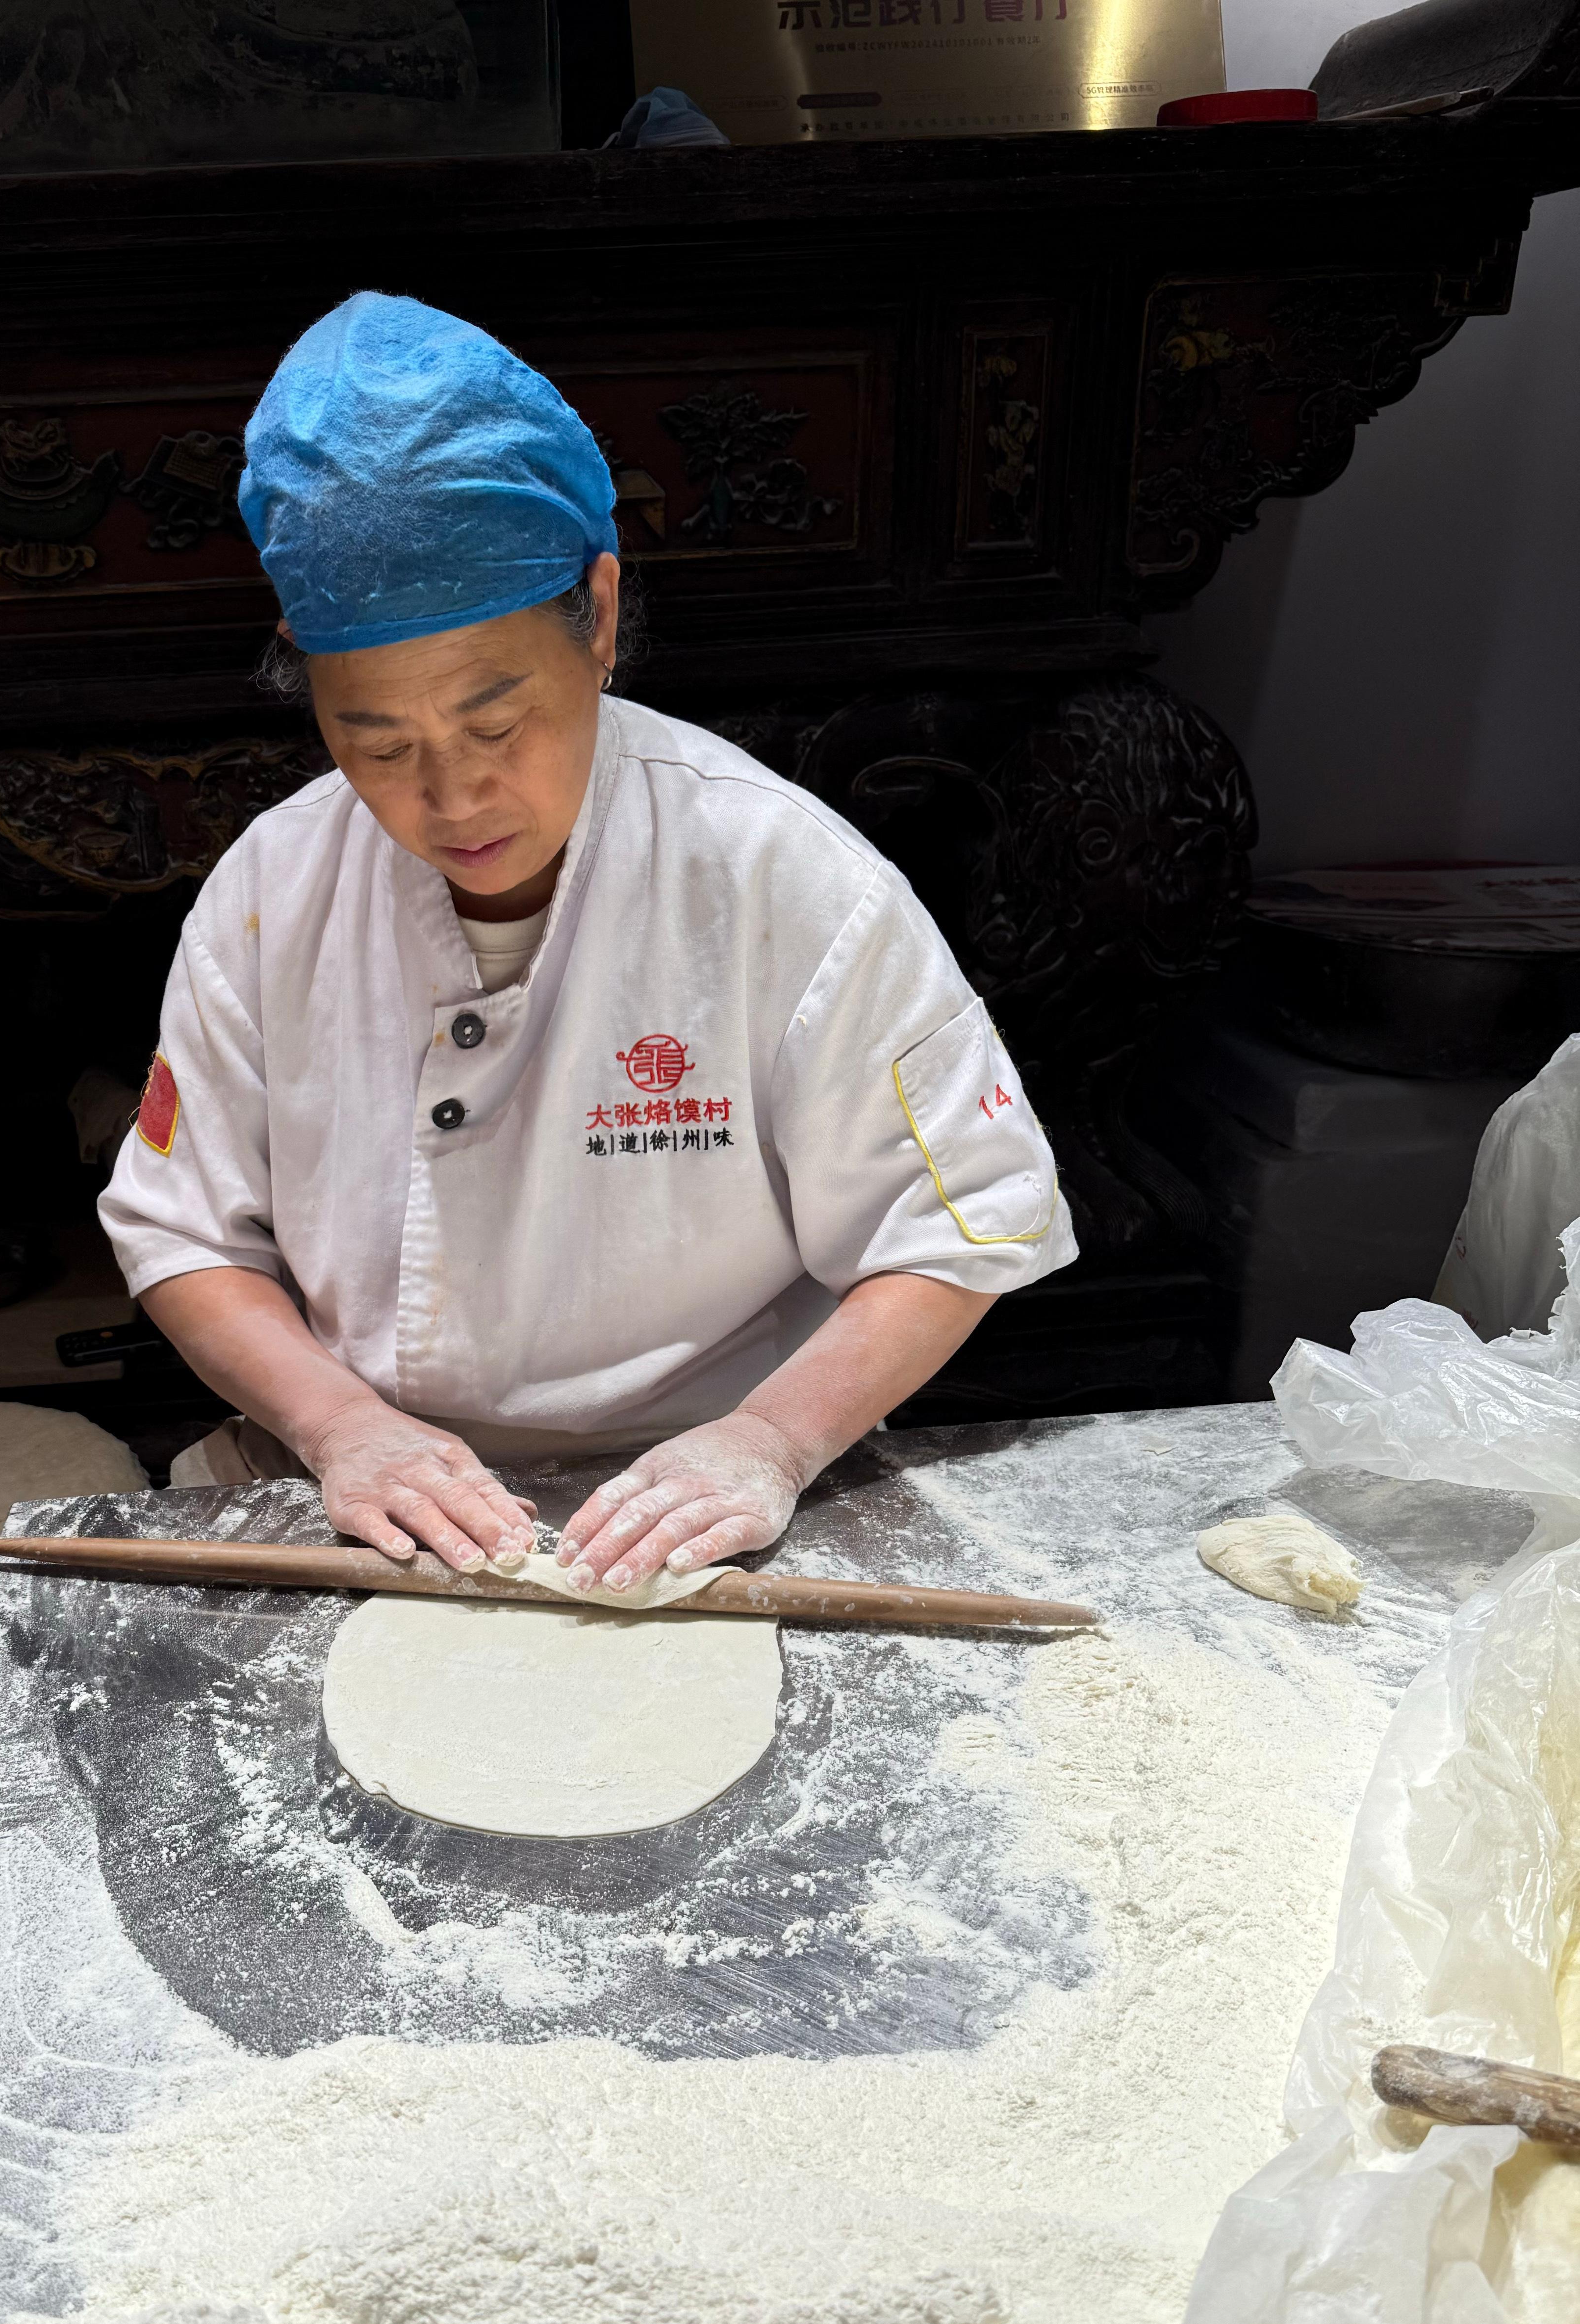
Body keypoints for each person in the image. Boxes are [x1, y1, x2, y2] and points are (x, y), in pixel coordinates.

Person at [101, 294, 1075, 1594]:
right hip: (341, 1477)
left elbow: (954, 1227)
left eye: (498, 724)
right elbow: (185, 1234)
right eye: (375, 743)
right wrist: (341, 1428)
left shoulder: (781, 877)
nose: (450, 801)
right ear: (304, 669)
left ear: (600, 617)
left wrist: (768, 1445)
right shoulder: (271, 891)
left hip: (698, 1488)